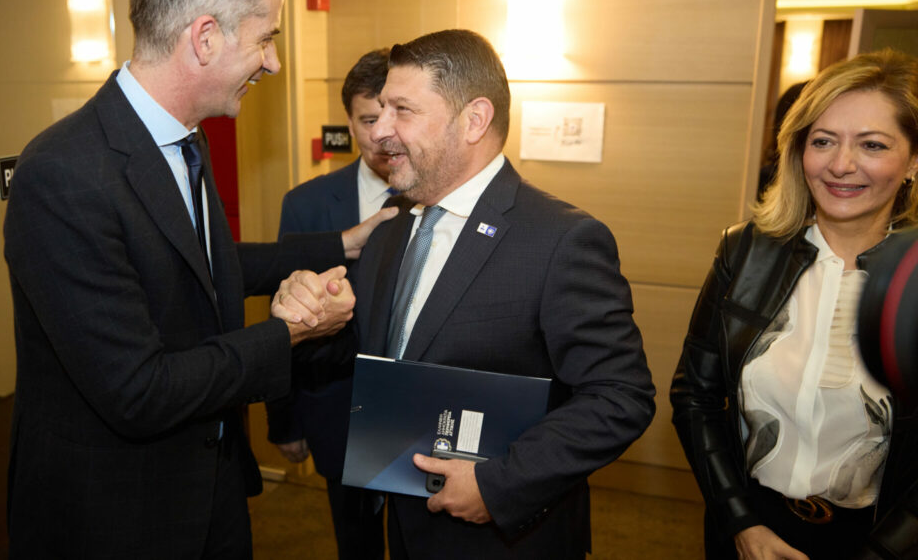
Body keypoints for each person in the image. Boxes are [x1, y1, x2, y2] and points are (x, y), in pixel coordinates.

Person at [3, 0, 391, 559]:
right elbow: (139, 391)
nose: (273, 62)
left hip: (209, 488)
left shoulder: (185, 139)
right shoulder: (62, 175)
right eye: (265, 38)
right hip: (118, 517)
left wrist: (342, 243)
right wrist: (292, 332)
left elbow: (201, 263)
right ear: (205, 37)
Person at [281, 28, 655, 558]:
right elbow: (371, 352)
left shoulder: (561, 239)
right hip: (405, 525)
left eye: (402, 111)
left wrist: (497, 485)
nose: (380, 131)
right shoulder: (392, 224)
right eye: (380, 110)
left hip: (505, 540)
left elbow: (620, 396)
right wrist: (309, 320)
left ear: (474, 120)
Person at [671, 49, 918, 560]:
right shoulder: (745, 251)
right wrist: (741, 522)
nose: (841, 164)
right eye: (823, 141)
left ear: (913, 160)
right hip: (749, 527)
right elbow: (695, 396)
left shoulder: (910, 279)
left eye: (872, 144)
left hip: (878, 538)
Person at [265, 49, 393, 560]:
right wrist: (285, 421)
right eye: (368, 120)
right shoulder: (306, 204)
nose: (382, 133)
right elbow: (282, 316)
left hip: (423, 412)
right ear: (349, 121)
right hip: (337, 413)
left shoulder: (442, 198)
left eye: (394, 115)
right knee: (356, 543)